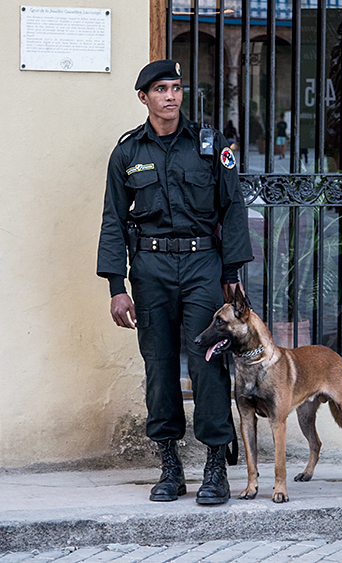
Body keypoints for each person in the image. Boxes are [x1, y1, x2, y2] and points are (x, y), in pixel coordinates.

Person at [97, 59, 253, 505]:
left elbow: (233, 208)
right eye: (160, 89)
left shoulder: (210, 146)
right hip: (149, 270)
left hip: (203, 264)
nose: (170, 96)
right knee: (159, 366)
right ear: (143, 98)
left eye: (176, 88)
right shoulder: (127, 153)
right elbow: (113, 219)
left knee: (206, 363)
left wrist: (230, 275)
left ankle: (213, 466)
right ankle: (169, 466)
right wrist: (115, 286)